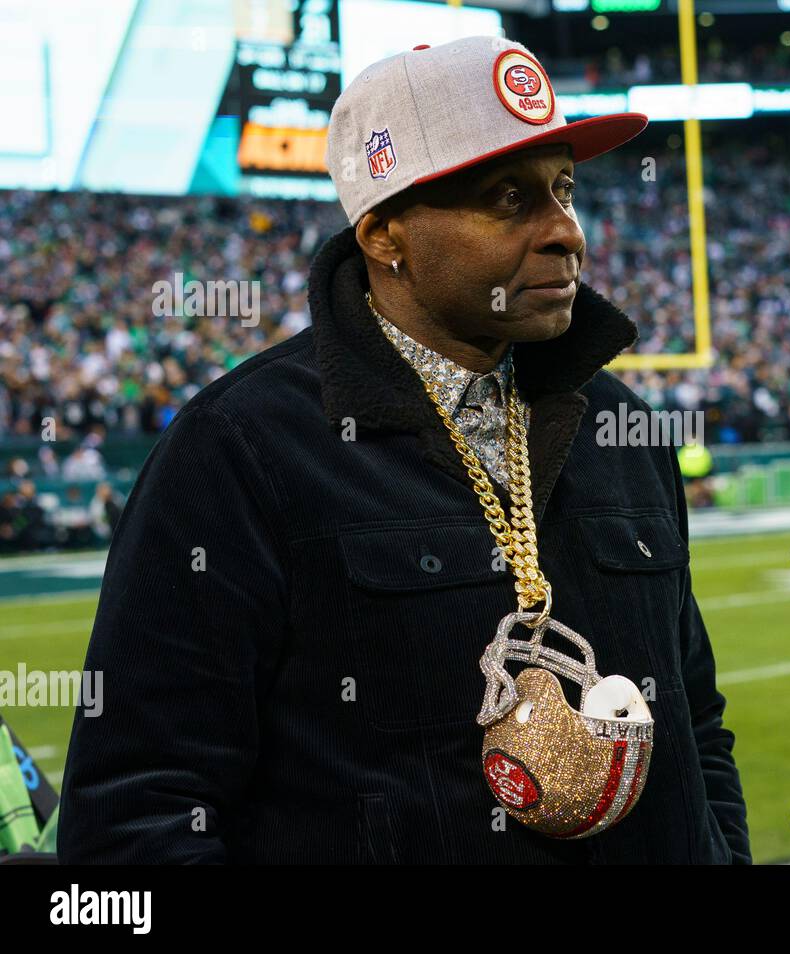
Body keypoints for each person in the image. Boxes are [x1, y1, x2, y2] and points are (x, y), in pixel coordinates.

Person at [59, 36, 749, 865]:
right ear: (386, 235)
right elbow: (140, 808)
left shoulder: (621, 426)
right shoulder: (240, 451)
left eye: (564, 188)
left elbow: (695, 725)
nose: (567, 231)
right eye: (508, 197)